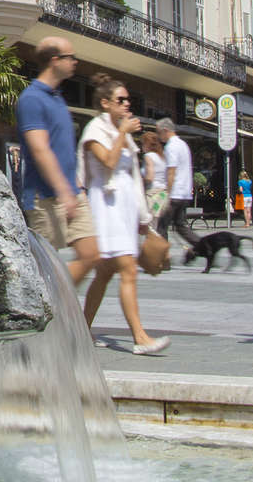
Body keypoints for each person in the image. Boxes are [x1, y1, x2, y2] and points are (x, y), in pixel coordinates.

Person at [79, 76, 169, 355]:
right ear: (105, 104)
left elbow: (134, 179)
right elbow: (107, 161)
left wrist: (143, 218)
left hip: (124, 210)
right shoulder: (95, 129)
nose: (127, 104)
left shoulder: (125, 134)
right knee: (128, 269)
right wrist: (122, 134)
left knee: (104, 274)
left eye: (129, 100)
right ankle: (140, 337)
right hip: (107, 208)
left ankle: (80, 330)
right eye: (121, 100)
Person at [16, 36, 100, 286]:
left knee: (91, 255)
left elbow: (62, 148)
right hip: (46, 198)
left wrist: (75, 185)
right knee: (47, 273)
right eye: (70, 57)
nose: (75, 62)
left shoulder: (57, 97)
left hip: (72, 192)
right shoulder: (31, 99)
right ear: (55, 61)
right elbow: (40, 149)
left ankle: (60, 307)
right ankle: (51, 312)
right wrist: (64, 191)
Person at [155, 118, 201, 247]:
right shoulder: (183, 144)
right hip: (184, 192)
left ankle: (163, 258)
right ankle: (203, 246)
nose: (159, 137)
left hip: (175, 193)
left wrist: (167, 194)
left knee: (162, 226)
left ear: (165, 131)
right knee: (180, 225)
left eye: (159, 133)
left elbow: (171, 171)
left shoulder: (171, 147)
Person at [140, 131, 169, 226]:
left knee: (150, 226)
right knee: (159, 227)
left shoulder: (148, 156)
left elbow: (150, 176)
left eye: (142, 143)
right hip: (163, 194)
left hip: (153, 194)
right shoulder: (162, 157)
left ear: (147, 144)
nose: (141, 146)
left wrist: (139, 181)